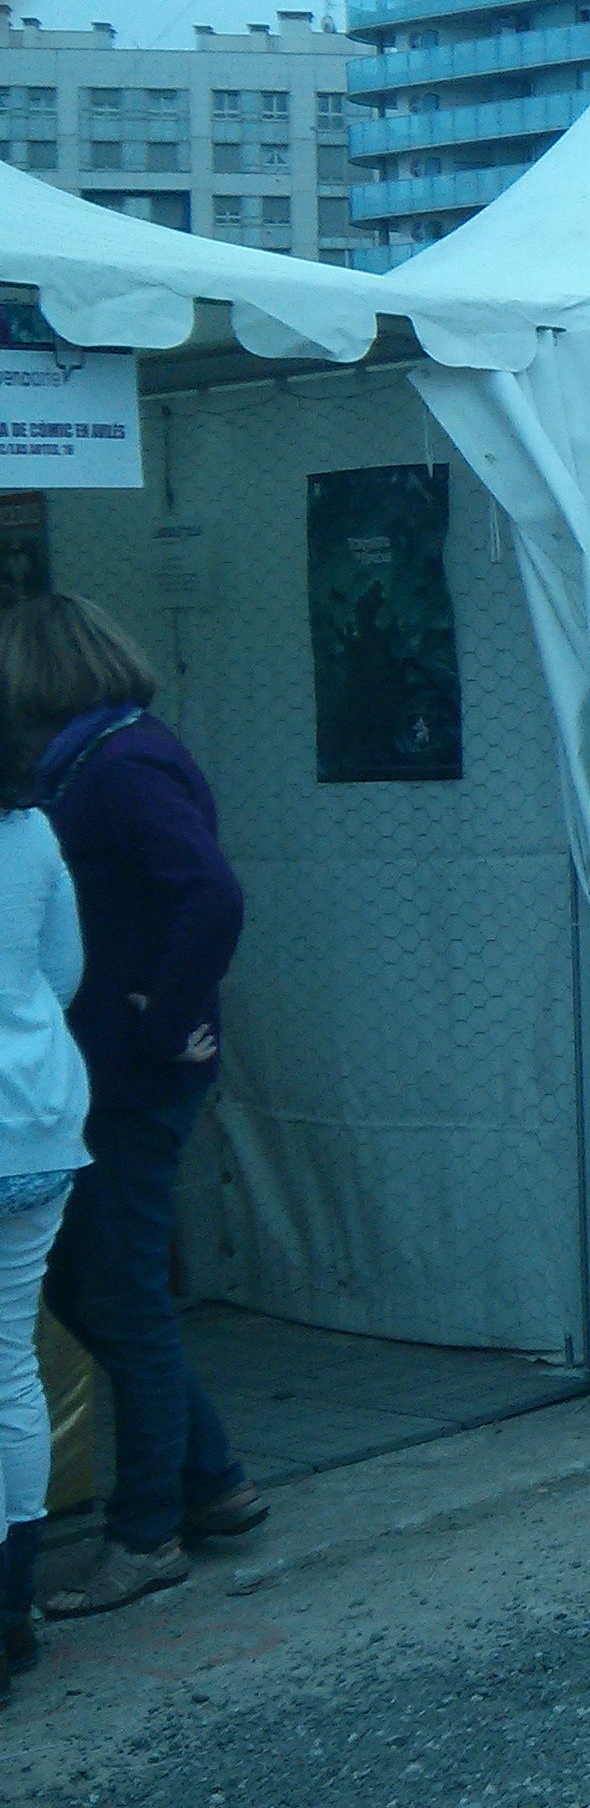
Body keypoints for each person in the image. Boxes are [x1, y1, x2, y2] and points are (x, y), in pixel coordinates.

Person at [0, 598, 260, 1613]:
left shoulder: (120, 762)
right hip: (108, 1073)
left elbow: (213, 894)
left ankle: (147, 1531)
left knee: (119, 1298)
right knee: (89, 1289)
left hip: (133, 1076)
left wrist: (162, 1018)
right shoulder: (105, 755)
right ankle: (211, 1478)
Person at [0, 770, 86, 1695]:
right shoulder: (31, 831)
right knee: (8, 1364)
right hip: (35, 1118)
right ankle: (10, 1613)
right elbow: (62, 974)